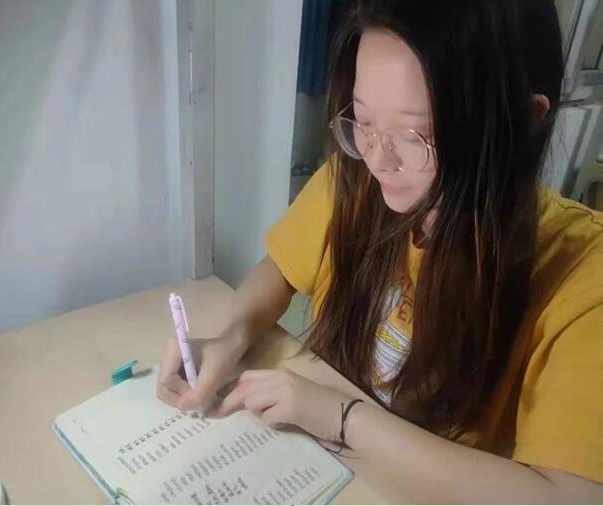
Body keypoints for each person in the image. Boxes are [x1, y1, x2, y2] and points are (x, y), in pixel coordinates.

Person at [158, 0, 603, 501]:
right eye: (363, 121)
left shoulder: (583, 277)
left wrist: (339, 417)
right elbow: (280, 270)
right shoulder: (359, 180)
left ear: (520, 122)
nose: (377, 160)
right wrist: (232, 336)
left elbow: (569, 497)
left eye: (415, 136)